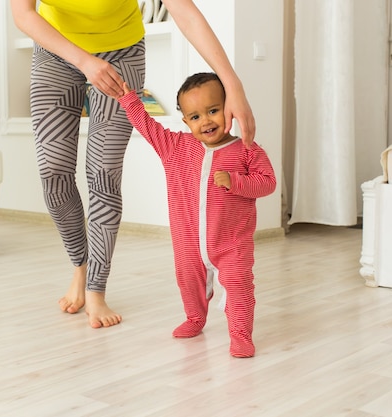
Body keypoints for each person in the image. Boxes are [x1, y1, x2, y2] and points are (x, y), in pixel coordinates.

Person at [10, 0, 257, 329]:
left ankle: (96, 289)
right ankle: (80, 265)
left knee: (104, 172)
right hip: (54, 48)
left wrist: (232, 85)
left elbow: (185, 12)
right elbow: (23, 14)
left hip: (121, 52)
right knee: (53, 172)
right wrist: (85, 62)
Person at [113, 73, 276, 357]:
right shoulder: (176, 147)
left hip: (231, 242)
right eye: (196, 116)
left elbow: (268, 182)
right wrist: (129, 100)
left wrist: (237, 181)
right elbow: (148, 126)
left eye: (213, 111)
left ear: (229, 108)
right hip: (187, 241)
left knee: (239, 286)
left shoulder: (247, 150)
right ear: (186, 122)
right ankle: (195, 318)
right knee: (188, 281)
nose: (207, 121)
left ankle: (240, 334)